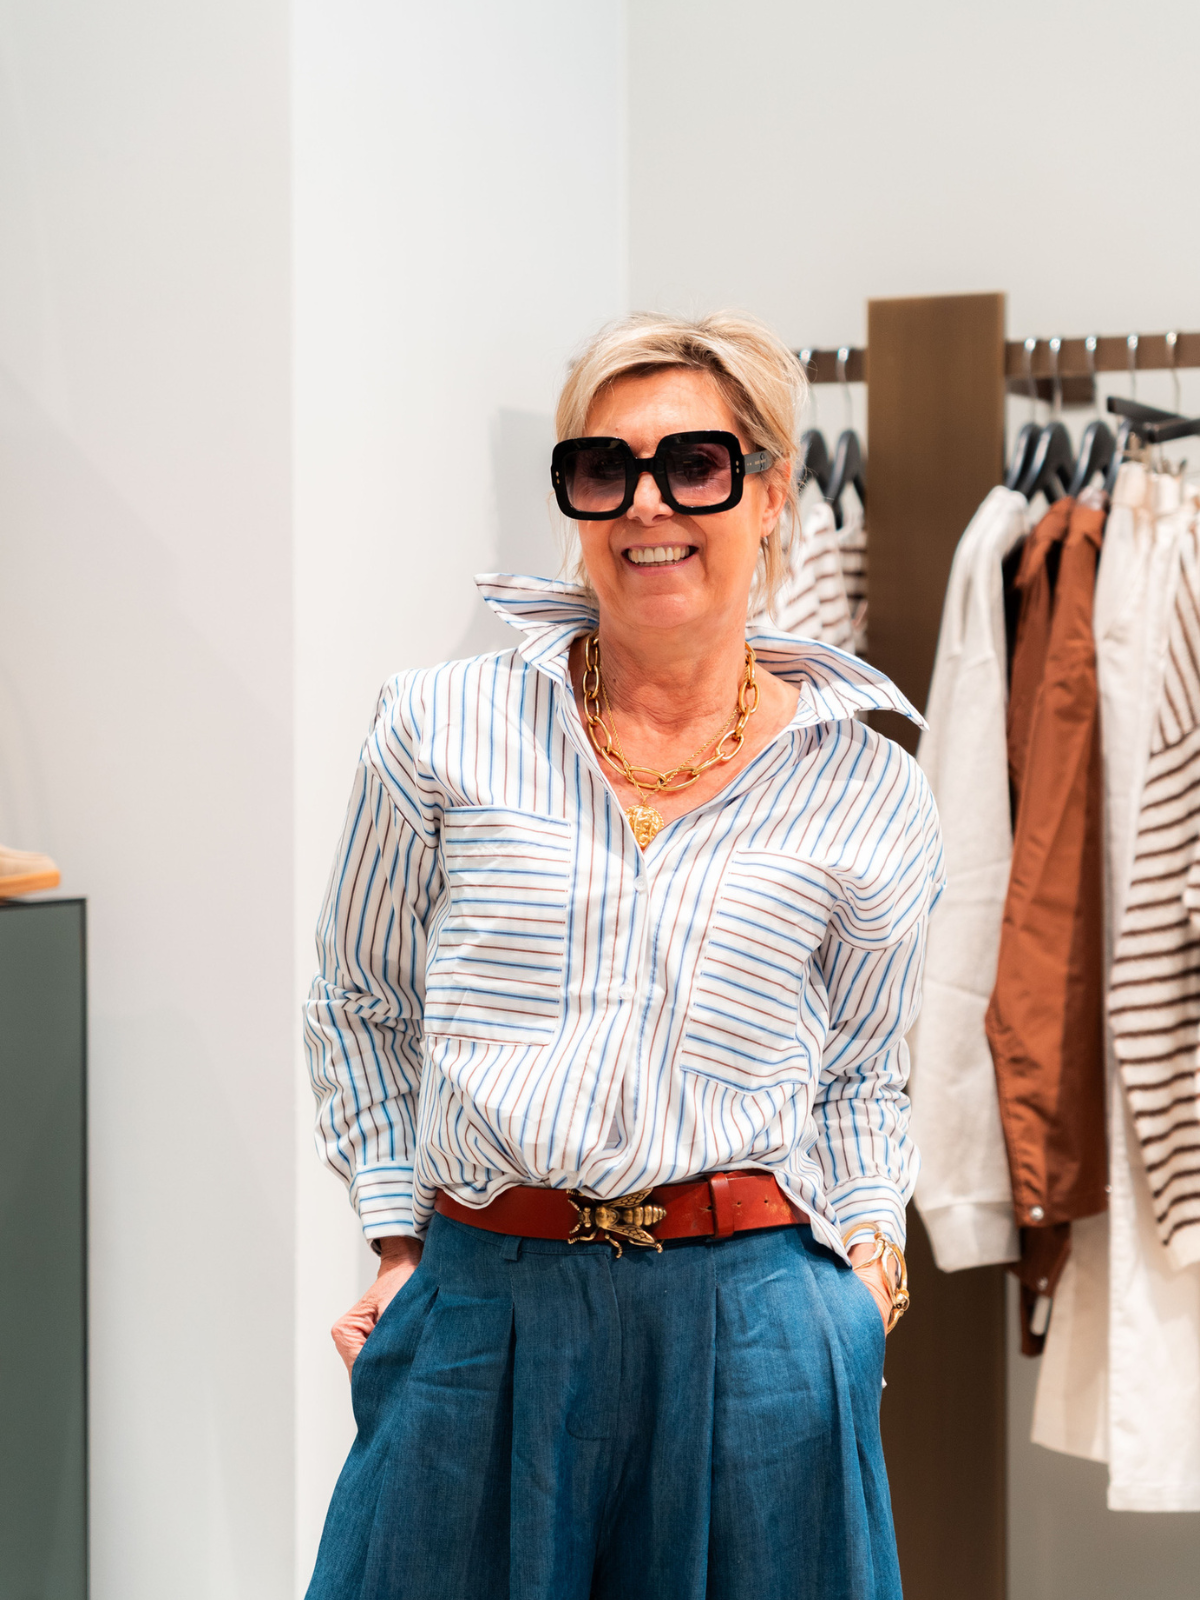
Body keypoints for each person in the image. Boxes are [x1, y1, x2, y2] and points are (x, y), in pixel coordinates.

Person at [303, 311, 944, 1600]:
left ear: (771, 492)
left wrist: (868, 1274)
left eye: (694, 465)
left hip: (758, 1331)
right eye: (604, 468)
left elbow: (865, 1070)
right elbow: (360, 1000)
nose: (649, 503)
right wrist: (397, 1242)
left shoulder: (870, 788)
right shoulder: (439, 726)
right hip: (486, 1312)